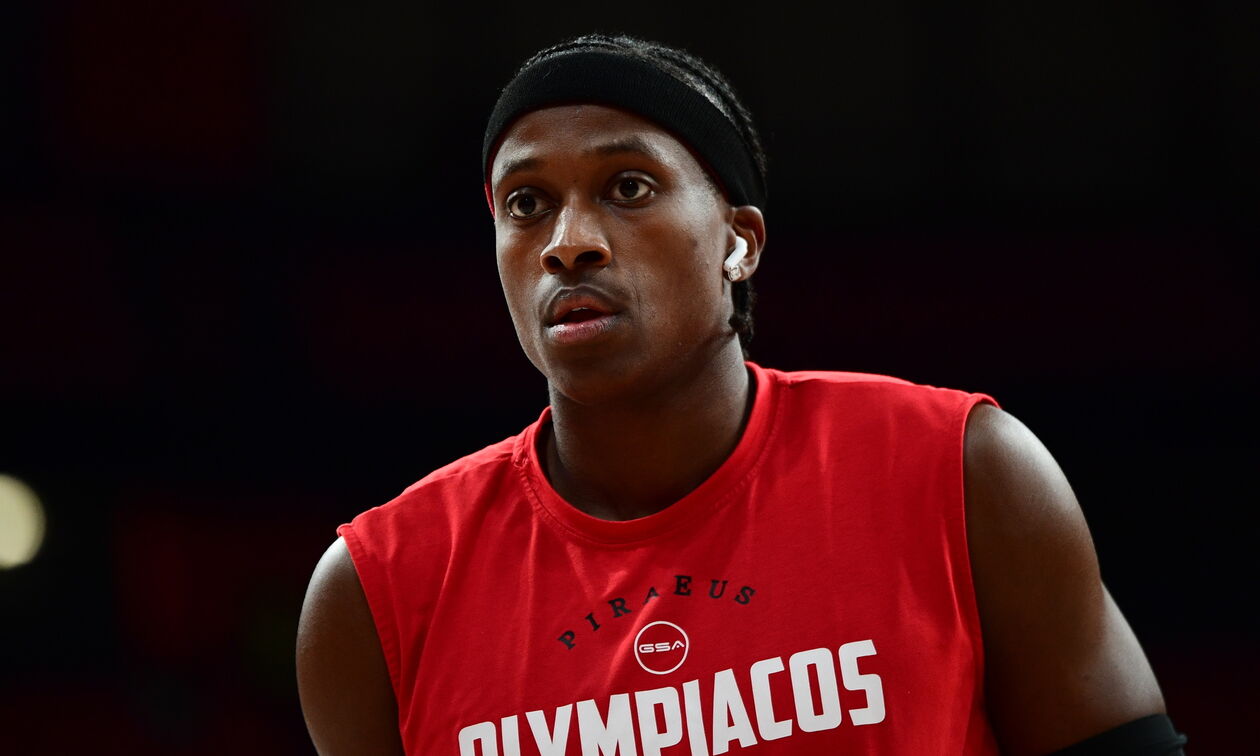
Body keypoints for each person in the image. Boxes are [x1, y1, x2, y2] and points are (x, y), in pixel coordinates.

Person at [296, 34, 1186, 755]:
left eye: (628, 187)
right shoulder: (374, 596)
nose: (569, 242)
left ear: (740, 242)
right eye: (526, 204)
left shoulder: (962, 469)